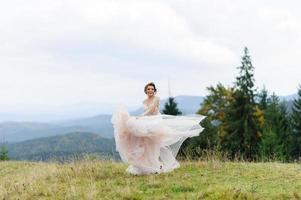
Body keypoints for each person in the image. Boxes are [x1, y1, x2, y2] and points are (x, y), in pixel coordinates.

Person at [111, 82, 204, 175]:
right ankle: (147, 165)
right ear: (145, 91)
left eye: (152, 89)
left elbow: (151, 110)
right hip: (147, 121)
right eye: (148, 89)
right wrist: (140, 118)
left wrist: (140, 117)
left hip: (155, 122)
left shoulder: (157, 99)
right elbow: (146, 112)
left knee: (155, 145)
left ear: (154, 91)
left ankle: (156, 165)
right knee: (146, 144)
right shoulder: (144, 101)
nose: (150, 90)